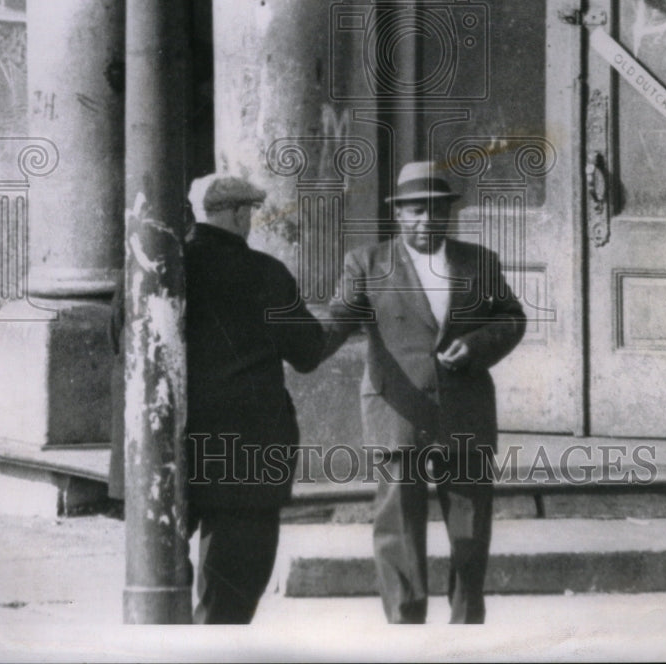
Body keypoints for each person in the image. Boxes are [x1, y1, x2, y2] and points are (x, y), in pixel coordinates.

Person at [109, 173, 343, 624]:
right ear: (238, 215)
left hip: (162, 456)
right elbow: (308, 351)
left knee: (157, 586)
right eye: (249, 212)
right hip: (243, 459)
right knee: (230, 600)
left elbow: (120, 341)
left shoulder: (150, 267)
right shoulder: (265, 274)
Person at [329, 160, 526, 624]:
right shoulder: (368, 263)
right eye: (416, 211)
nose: (427, 221)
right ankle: (406, 631)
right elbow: (339, 316)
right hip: (399, 408)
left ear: (448, 214)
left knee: (470, 533)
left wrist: (476, 346)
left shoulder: (479, 262)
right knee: (397, 528)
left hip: (465, 410)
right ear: (398, 214)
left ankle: (463, 633)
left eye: (437, 211)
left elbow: (512, 318)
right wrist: (305, 345)